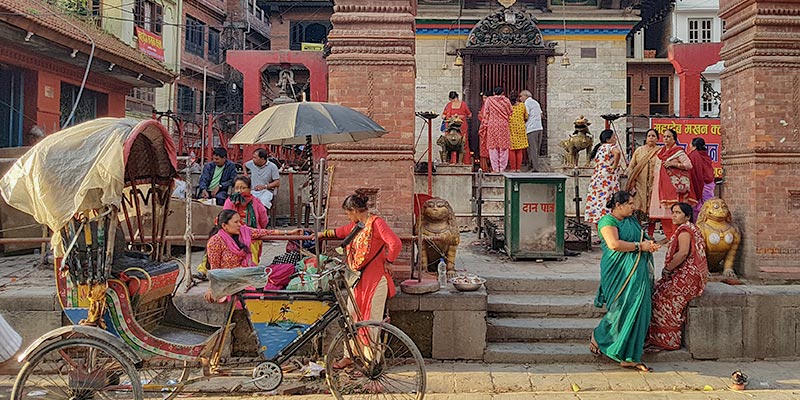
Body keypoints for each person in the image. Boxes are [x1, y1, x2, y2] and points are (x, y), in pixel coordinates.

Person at [317, 191, 402, 368]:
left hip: (376, 281)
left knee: (371, 321)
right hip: (357, 282)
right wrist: (322, 234)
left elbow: (395, 243)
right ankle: (350, 355)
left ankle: (371, 363)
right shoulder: (359, 225)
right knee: (352, 317)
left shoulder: (376, 223)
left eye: (348, 213)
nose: (348, 217)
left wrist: (389, 261)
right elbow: (341, 232)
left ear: (354, 210)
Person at [590, 191, 660, 372]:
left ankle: (629, 356)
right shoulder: (608, 221)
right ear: (618, 205)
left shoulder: (632, 221)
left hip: (639, 272)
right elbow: (614, 244)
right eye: (629, 203)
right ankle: (599, 336)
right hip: (618, 270)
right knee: (621, 309)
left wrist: (648, 243)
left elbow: (640, 238)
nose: (633, 206)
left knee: (640, 310)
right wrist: (640, 246)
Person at [646, 202, 708, 353]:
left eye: (678, 213)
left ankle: (668, 340)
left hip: (690, 276)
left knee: (662, 297)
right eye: (673, 212)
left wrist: (667, 269)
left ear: (687, 216)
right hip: (688, 273)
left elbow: (682, 253)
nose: (674, 215)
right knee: (658, 290)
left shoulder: (685, 231)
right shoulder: (687, 229)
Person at [203, 210, 302, 302]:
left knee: (288, 268)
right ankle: (265, 286)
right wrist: (211, 289)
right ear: (225, 225)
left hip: (251, 273)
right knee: (262, 293)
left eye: (240, 221)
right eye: (236, 222)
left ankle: (266, 284)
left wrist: (289, 232)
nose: (239, 225)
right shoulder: (215, 241)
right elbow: (214, 270)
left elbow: (265, 232)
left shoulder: (244, 232)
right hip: (233, 281)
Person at [649, 129, 696, 240]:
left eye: (669, 137)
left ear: (674, 139)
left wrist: (674, 164)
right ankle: (670, 238)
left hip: (673, 189)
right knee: (664, 216)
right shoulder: (661, 152)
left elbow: (688, 165)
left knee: (674, 214)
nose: (666, 139)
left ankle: (676, 238)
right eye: (664, 136)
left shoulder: (678, 151)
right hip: (659, 187)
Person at [223, 176, 269, 264]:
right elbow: (225, 216)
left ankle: (250, 269)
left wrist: (256, 230)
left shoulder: (255, 202)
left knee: (251, 243)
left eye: (243, 188)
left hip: (251, 233)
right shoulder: (230, 201)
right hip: (233, 233)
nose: (239, 191)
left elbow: (264, 219)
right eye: (237, 188)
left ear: (249, 189)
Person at [625, 129, 660, 236]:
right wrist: (632, 182)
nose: (651, 138)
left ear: (657, 139)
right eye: (649, 135)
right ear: (646, 138)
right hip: (639, 186)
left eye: (653, 136)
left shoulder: (660, 151)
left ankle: (650, 235)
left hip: (654, 186)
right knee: (637, 211)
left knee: (652, 213)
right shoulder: (639, 151)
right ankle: (638, 234)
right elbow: (631, 167)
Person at [584, 130, 621, 226]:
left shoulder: (600, 148)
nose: (615, 139)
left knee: (598, 205)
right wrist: (614, 166)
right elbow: (617, 153)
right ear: (608, 139)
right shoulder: (610, 147)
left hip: (597, 180)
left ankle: (600, 232)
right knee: (609, 201)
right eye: (613, 137)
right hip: (608, 180)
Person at [481, 86, 513, 172]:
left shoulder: (489, 100)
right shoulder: (506, 100)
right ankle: (502, 168)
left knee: (493, 147)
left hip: (492, 126)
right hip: (503, 125)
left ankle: (495, 168)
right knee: (504, 147)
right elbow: (510, 112)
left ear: (494, 93)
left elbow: (485, 113)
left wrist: (485, 124)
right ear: (503, 93)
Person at [441, 91, 473, 165]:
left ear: (450, 98)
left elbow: (443, 116)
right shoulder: (464, 104)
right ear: (457, 97)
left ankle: (453, 161)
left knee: (451, 144)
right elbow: (470, 115)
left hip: (450, 128)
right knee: (463, 144)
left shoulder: (448, 105)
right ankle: (465, 162)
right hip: (462, 127)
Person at [687, 138, 715, 216]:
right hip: (710, 184)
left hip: (700, 184)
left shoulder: (693, 155)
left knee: (699, 208)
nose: (689, 146)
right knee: (709, 206)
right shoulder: (706, 155)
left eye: (690, 144)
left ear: (694, 146)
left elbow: (695, 172)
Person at [520, 90, 543, 172]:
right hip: (539, 127)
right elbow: (541, 114)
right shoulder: (536, 102)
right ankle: (531, 165)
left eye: (521, 96)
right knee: (536, 149)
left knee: (532, 149)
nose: (520, 98)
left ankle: (535, 168)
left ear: (525, 96)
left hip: (531, 128)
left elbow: (526, 115)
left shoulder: (527, 103)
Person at [507, 91, 529, 172]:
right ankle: (518, 168)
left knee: (512, 149)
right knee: (519, 149)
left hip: (511, 128)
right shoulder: (522, 105)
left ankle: (513, 168)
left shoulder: (508, 106)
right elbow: (526, 116)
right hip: (520, 128)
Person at [477, 92, 491, 171]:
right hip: (484, 129)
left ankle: (490, 167)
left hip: (488, 129)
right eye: (483, 98)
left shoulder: (490, 106)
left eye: (485, 98)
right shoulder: (484, 106)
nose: (484, 100)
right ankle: (484, 167)